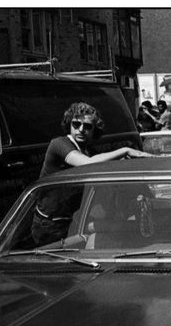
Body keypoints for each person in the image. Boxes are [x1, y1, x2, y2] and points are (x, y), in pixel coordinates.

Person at [33, 102, 150, 245]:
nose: (81, 130)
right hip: (48, 223)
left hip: (71, 222)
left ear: (94, 129)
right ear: (69, 124)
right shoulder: (58, 144)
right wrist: (125, 150)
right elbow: (86, 163)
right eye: (76, 124)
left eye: (87, 126)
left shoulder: (88, 151)